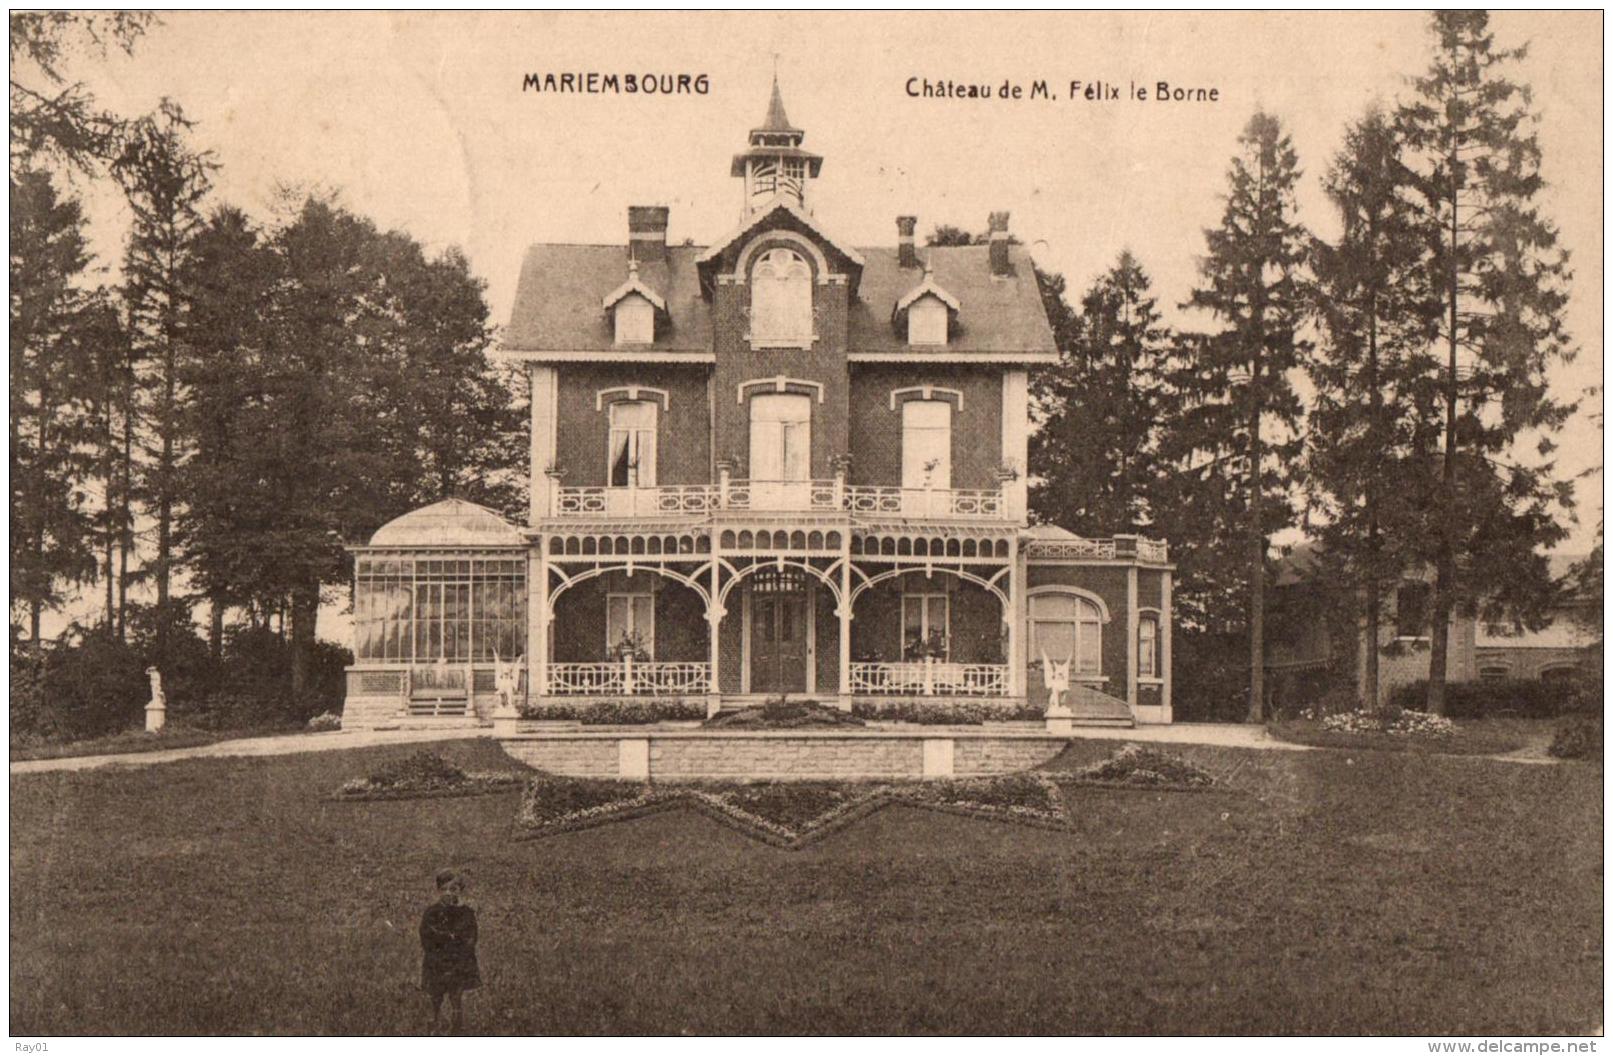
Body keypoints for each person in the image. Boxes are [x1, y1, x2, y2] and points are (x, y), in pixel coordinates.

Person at [420, 868, 481, 1034]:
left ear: (460, 891)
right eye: (444, 889)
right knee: (436, 993)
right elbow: (426, 937)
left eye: (453, 889)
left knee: (456, 993)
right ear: (438, 891)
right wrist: (442, 945)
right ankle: (435, 1020)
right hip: (437, 961)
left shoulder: (466, 913)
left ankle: (457, 1024)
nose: (448, 893)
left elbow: (471, 937)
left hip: (458, 961)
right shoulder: (431, 913)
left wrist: (460, 949)